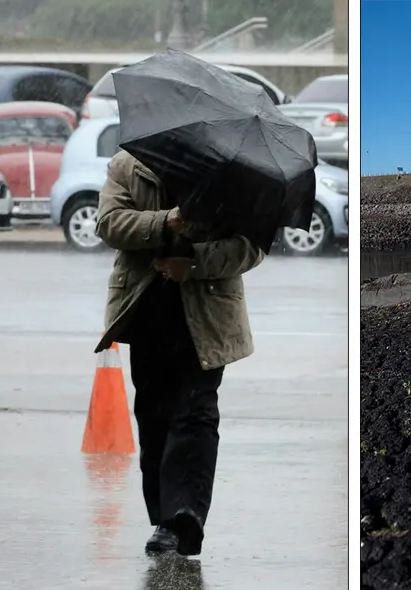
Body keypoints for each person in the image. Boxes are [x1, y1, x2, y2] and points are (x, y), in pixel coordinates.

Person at [93, 149, 265, 556]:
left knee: (195, 412)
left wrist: (194, 261)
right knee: (154, 417)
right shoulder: (126, 166)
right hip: (146, 310)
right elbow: (109, 223)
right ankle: (163, 517)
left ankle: (182, 517)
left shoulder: (230, 173)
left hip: (206, 315)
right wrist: (165, 221)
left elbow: (251, 247)